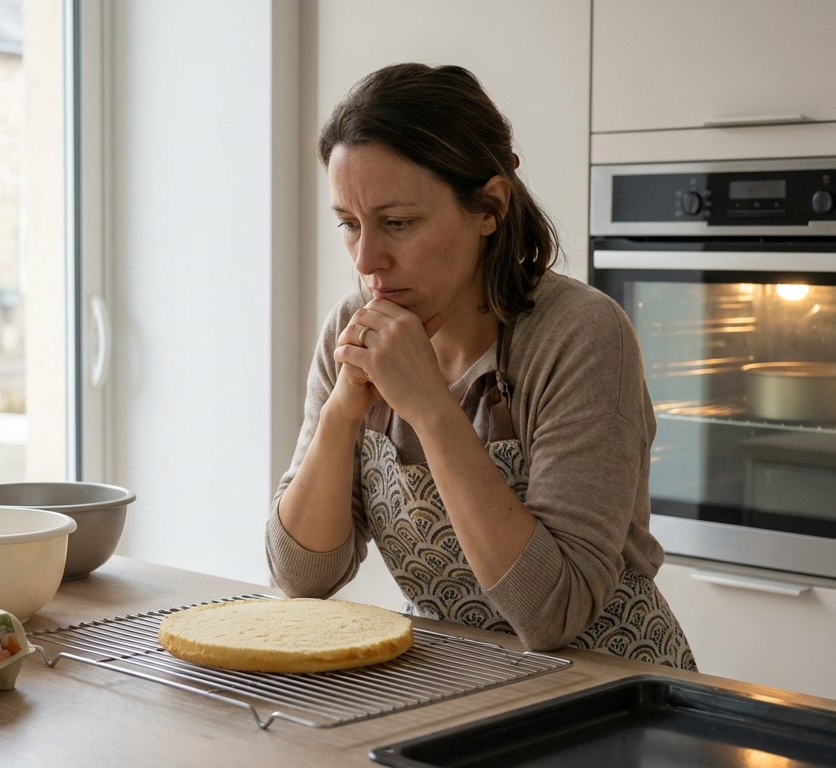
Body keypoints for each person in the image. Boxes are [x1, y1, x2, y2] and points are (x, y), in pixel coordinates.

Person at [266, 63, 696, 671]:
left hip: (610, 696)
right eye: (349, 224)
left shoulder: (580, 336)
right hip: (461, 688)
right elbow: (301, 575)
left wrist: (430, 409)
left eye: (398, 223)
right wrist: (344, 409)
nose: (367, 259)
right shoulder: (351, 328)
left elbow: (554, 613)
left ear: (489, 206)